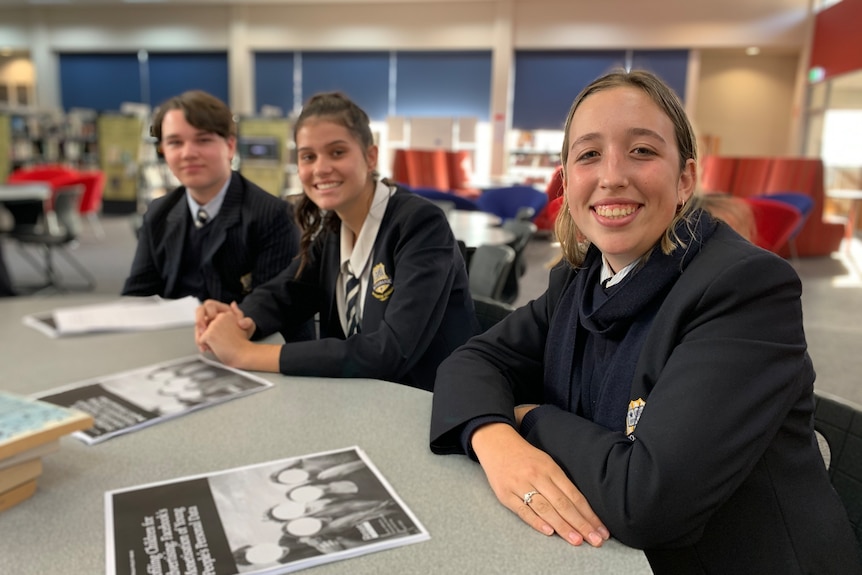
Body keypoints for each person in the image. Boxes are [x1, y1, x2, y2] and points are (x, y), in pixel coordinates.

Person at [429, 69, 861, 574]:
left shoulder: (747, 289)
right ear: (567, 184)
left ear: (685, 179)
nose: (612, 175)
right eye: (589, 154)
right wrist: (494, 437)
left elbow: (650, 502)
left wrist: (528, 418)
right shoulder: (577, 279)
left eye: (642, 151)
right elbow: (472, 361)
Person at [194, 92, 477, 391]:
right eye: (308, 156)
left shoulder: (419, 224)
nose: (320, 168)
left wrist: (246, 354)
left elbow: (390, 352)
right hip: (358, 398)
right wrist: (239, 317)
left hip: (429, 403)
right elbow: (286, 292)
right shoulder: (335, 228)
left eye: (337, 152)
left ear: (370, 157)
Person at [122, 90, 303, 312]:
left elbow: (269, 310)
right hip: (171, 339)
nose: (188, 153)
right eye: (175, 142)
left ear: (230, 146)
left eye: (203, 140)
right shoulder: (159, 213)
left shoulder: (273, 216)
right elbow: (138, 295)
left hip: (244, 339)